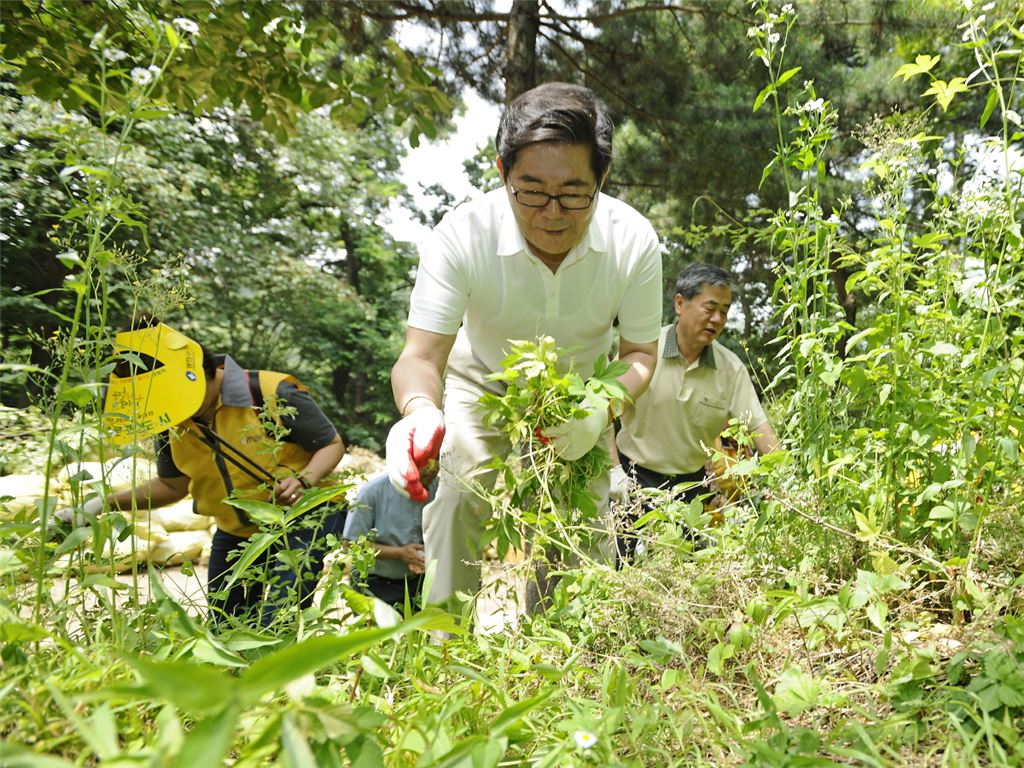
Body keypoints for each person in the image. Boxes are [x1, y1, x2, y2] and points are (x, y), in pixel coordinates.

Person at [384, 82, 664, 608]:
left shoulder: (634, 240)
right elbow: (421, 356)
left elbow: (640, 355)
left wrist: (598, 409)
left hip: (580, 392)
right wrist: (418, 411)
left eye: (575, 193)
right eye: (531, 190)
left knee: (579, 525)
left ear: (602, 179)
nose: (552, 212)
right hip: (480, 380)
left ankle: (556, 658)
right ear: (502, 172)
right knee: (459, 495)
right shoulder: (462, 234)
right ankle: (446, 651)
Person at [57, 321, 346, 626]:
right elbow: (171, 486)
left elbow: (331, 444)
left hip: (305, 517)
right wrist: (102, 504)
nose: (181, 413)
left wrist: (303, 479)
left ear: (206, 372)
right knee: (225, 622)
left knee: (281, 615)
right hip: (236, 528)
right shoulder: (173, 419)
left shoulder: (268, 391)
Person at [613, 262, 780, 559]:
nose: (718, 319)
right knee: (623, 572)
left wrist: (787, 479)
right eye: (710, 308)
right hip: (633, 481)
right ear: (680, 303)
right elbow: (605, 413)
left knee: (679, 583)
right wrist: (615, 474)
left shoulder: (730, 370)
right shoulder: (642, 351)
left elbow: (760, 429)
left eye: (725, 311)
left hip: (690, 490)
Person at [342, 464, 439, 608]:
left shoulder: (437, 487)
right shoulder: (372, 491)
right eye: (424, 463)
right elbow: (351, 545)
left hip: (417, 582)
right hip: (373, 583)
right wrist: (400, 553)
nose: (431, 469)